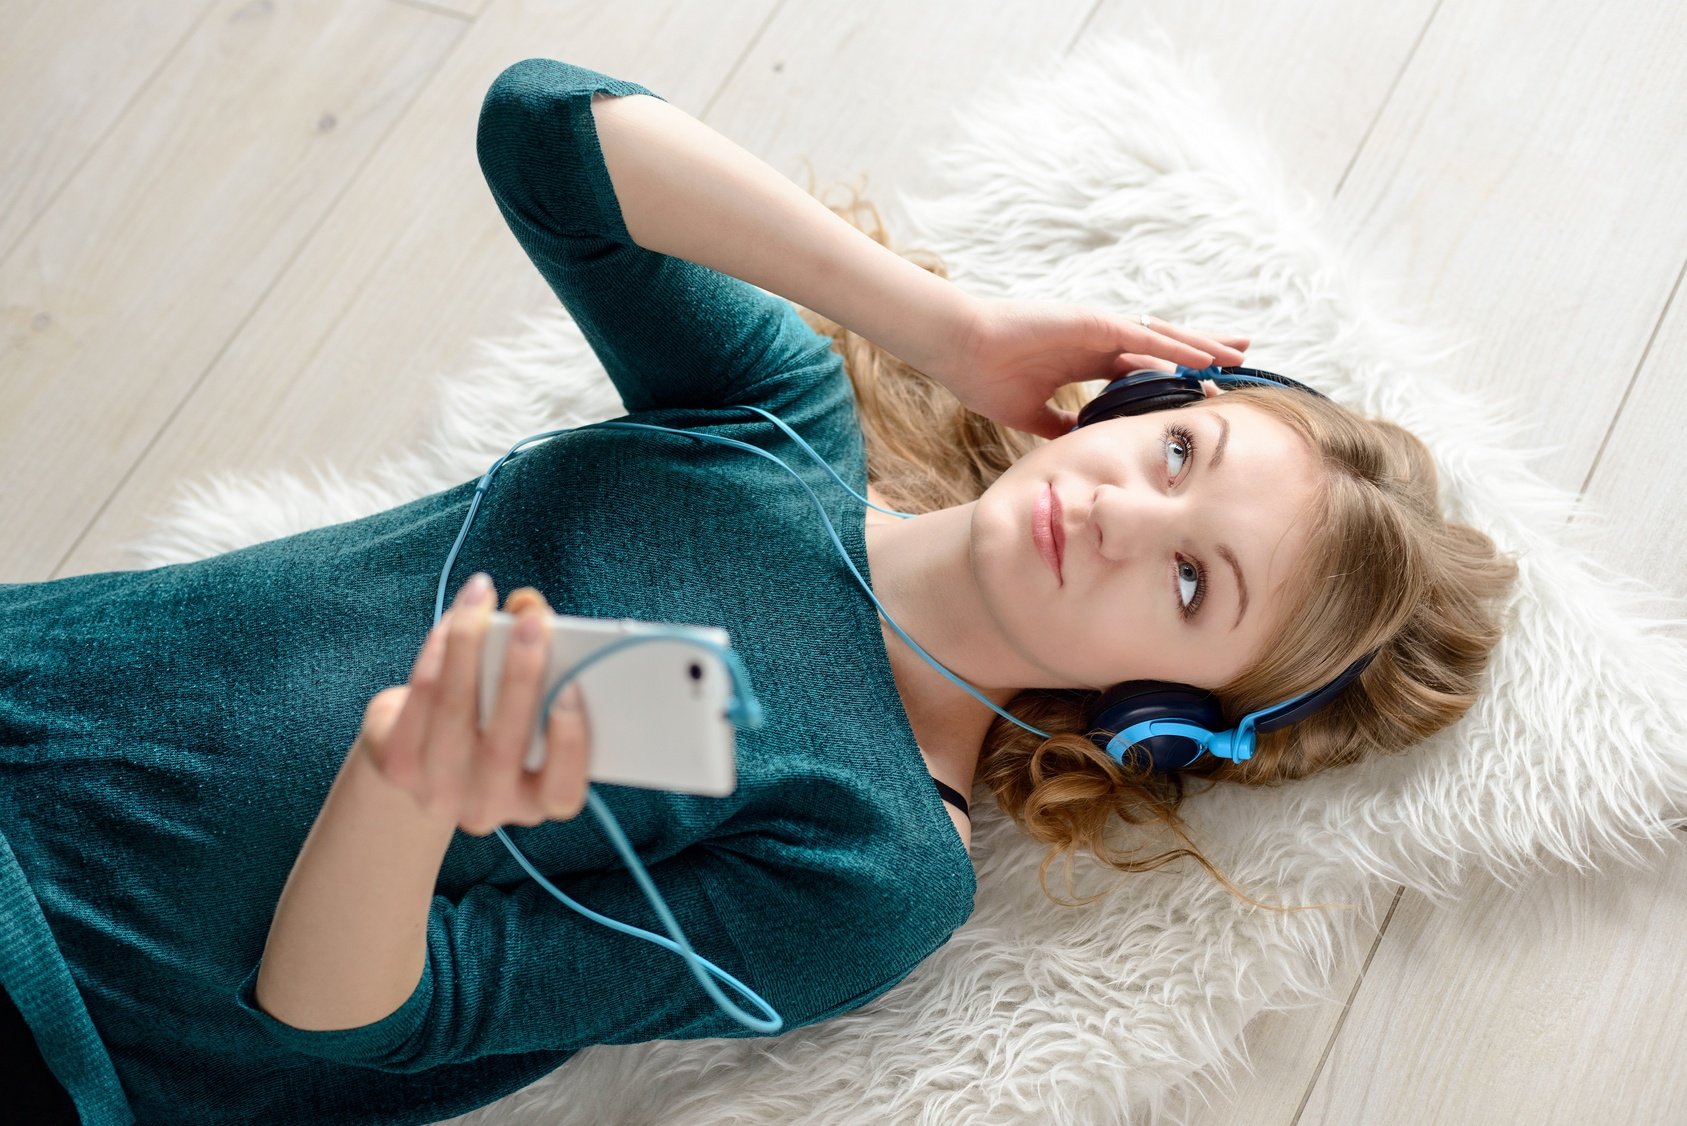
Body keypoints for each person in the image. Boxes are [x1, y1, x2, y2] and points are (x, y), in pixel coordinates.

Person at [0, 57, 1518, 1125]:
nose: (1125, 510)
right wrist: (948, 324)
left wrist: (407, 790)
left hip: (70, 1007)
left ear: (1168, 718)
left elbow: (355, 1024)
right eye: (1177, 446)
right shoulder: (773, 419)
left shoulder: (875, 865)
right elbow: (542, 128)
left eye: (1194, 580)